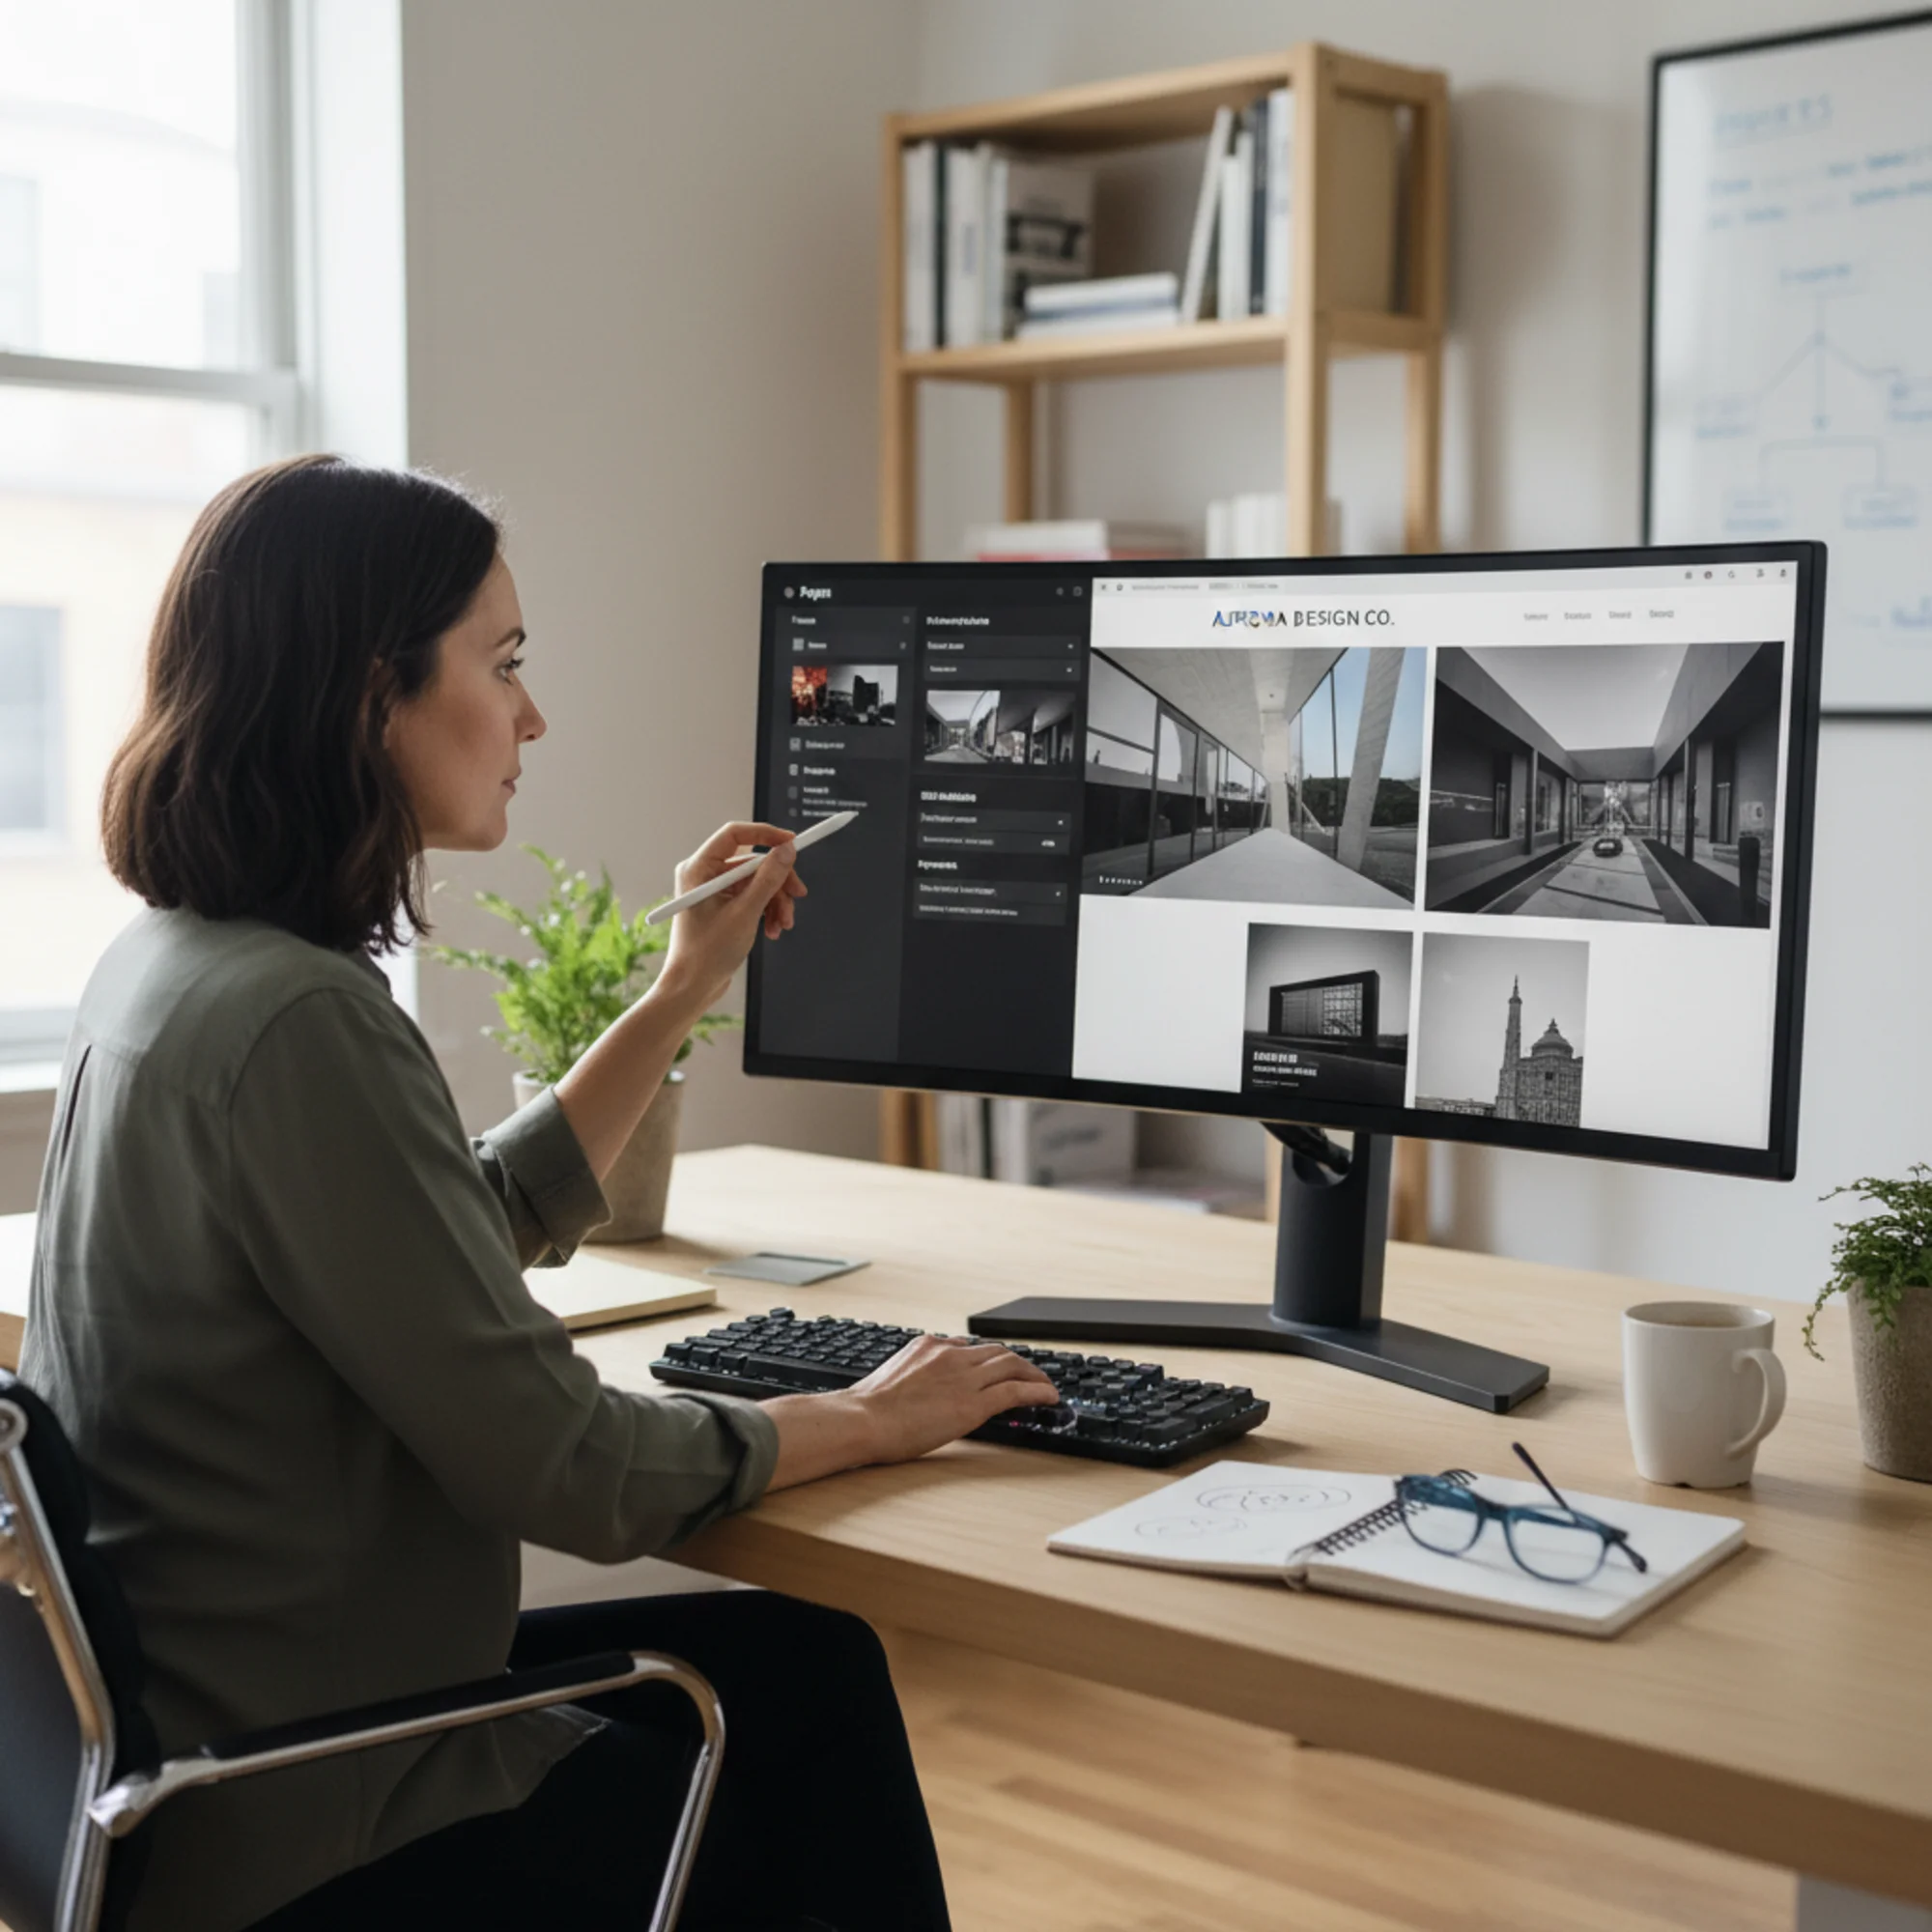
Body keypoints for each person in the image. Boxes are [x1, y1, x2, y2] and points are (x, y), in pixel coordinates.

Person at [21, 455, 1061, 1932]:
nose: (531, 716)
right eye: (501, 666)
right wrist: (871, 1414)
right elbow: (572, 1471)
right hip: (322, 1807)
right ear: (370, 693)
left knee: (815, 1676)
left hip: (192, 1764)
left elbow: (430, 1237)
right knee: (805, 1759)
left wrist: (677, 991)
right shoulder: (298, 1021)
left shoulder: (175, 966)